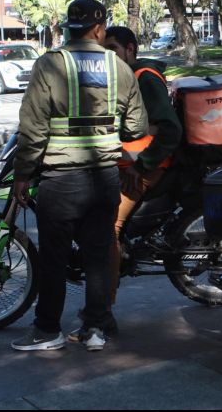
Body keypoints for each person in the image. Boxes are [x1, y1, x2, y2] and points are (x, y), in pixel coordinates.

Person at [11, 0, 148, 352]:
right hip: (104, 178)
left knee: (54, 258)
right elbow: (136, 127)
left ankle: (47, 330)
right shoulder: (118, 68)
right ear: (100, 29)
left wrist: (22, 175)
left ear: (69, 28)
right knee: (99, 255)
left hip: (59, 181)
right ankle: (96, 328)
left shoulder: (50, 65)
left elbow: (33, 129)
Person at [71, 26, 181, 334]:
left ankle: (102, 312)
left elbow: (170, 131)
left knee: (108, 227)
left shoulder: (144, 77)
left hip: (146, 168)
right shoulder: (117, 78)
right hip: (124, 165)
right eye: (103, 50)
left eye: (113, 50)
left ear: (130, 50)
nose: (107, 56)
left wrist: (143, 165)